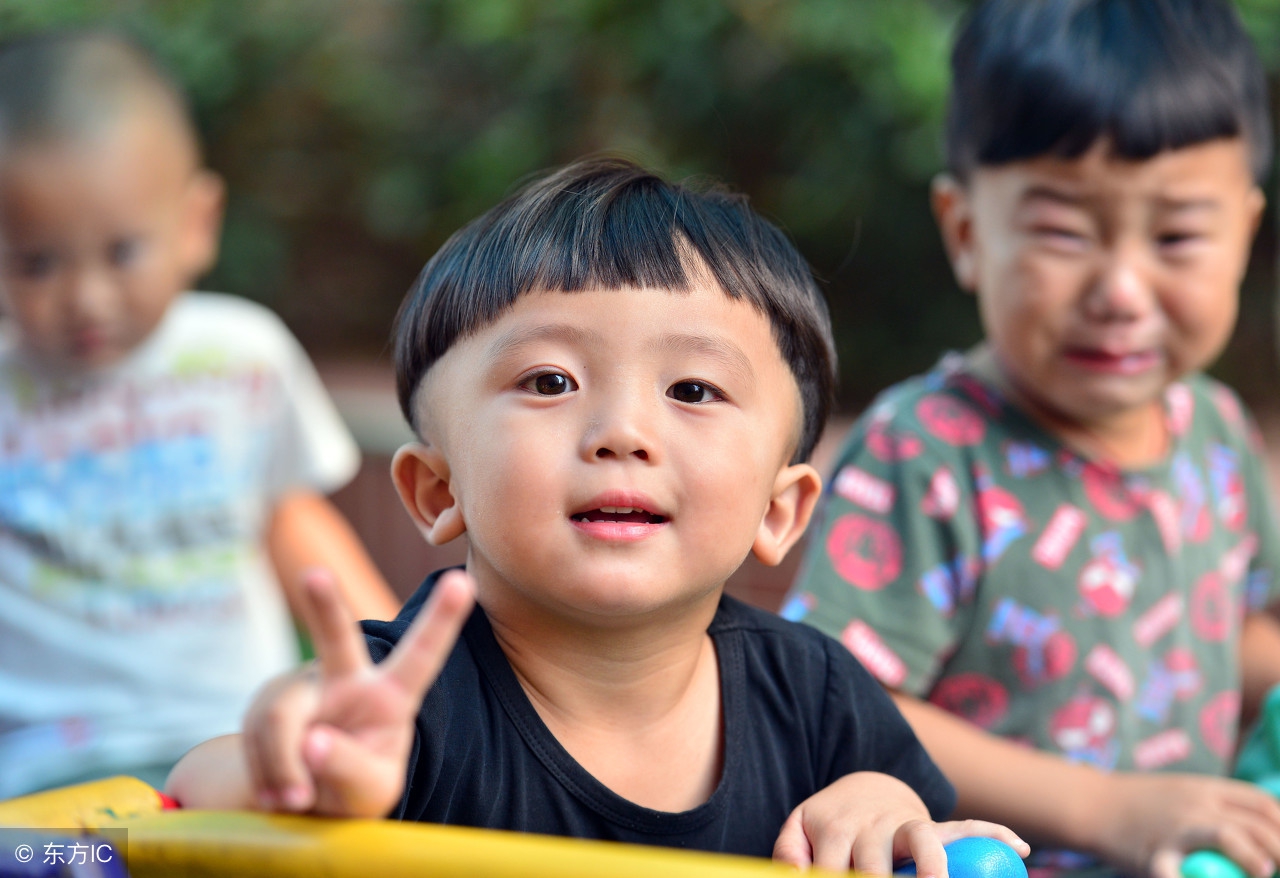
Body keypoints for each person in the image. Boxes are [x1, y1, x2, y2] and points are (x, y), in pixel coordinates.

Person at [166, 157, 1029, 873]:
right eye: (549, 382)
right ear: (438, 491)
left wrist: (890, 804)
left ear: (780, 508)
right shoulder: (404, 701)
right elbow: (156, 812)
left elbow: (947, 845)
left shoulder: (817, 700)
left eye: (693, 389)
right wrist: (303, 768)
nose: (622, 432)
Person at [780, 1, 1280, 877]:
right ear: (968, 233)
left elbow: (1222, 630)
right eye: (1062, 232)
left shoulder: (1216, 432)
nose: (1121, 289)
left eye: (1177, 236)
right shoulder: (927, 451)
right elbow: (843, 701)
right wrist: (1103, 809)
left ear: (1243, 232)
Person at [0, 30, 401, 799]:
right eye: (37, 262)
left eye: (121, 253)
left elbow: (292, 523)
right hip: (40, 773)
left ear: (195, 223)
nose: (86, 297)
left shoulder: (240, 356)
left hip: (238, 744)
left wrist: (394, 658)